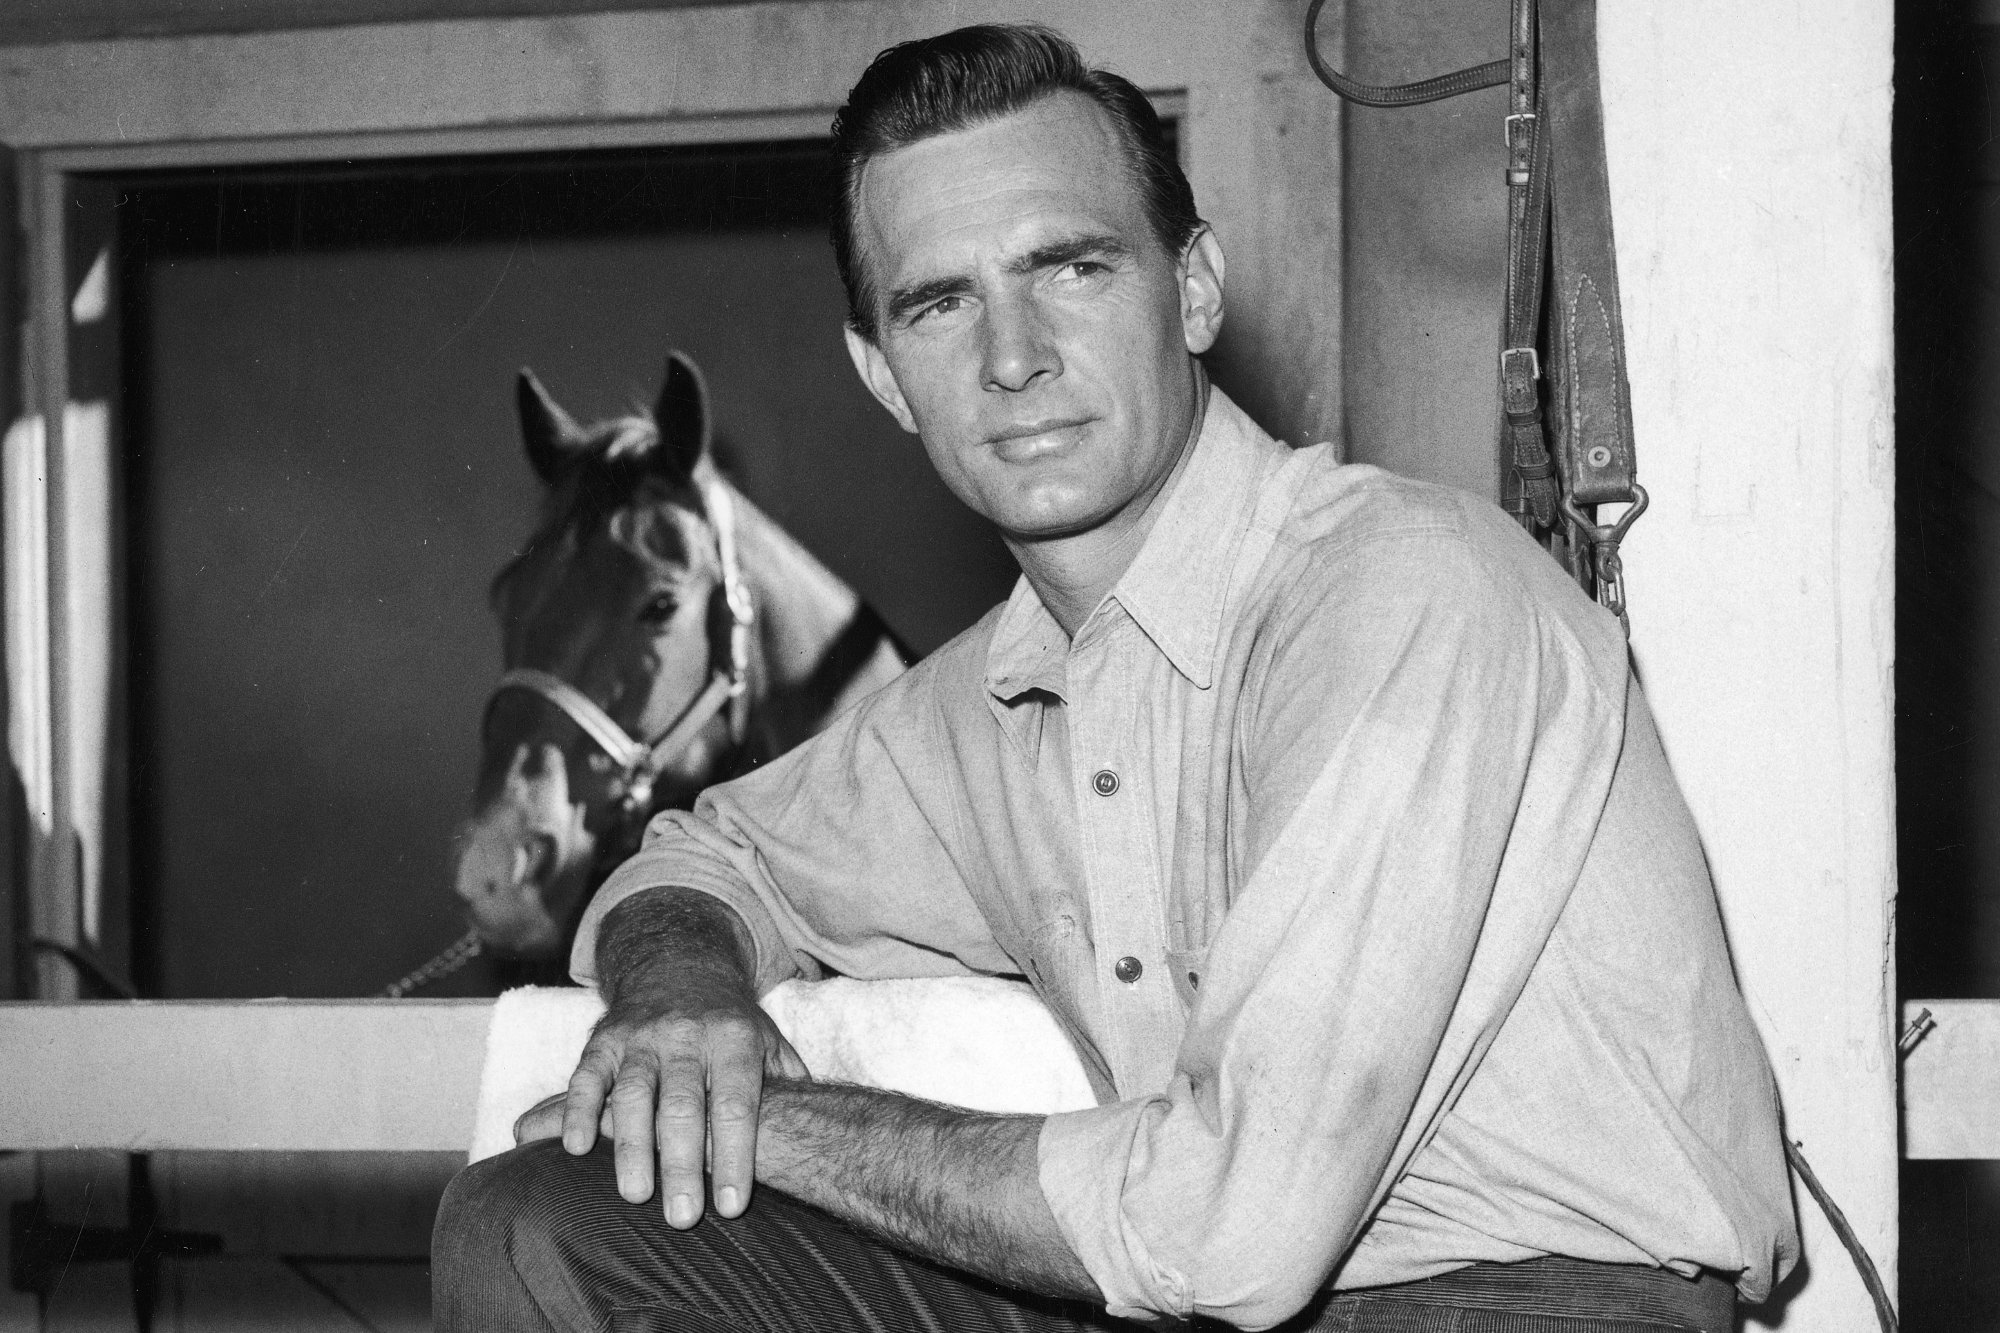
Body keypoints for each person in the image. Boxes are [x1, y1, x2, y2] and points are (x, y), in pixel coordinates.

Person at [433, 23, 1799, 1332]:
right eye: (940, 302)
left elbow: (1236, 1232)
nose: (1013, 357)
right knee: (531, 1224)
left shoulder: (1402, 588)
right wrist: (683, 1003)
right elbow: (697, 855)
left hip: (1526, 1298)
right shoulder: (980, 704)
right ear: (885, 375)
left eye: (1071, 267)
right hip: (1179, 1304)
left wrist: (768, 1115)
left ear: (1193, 289)